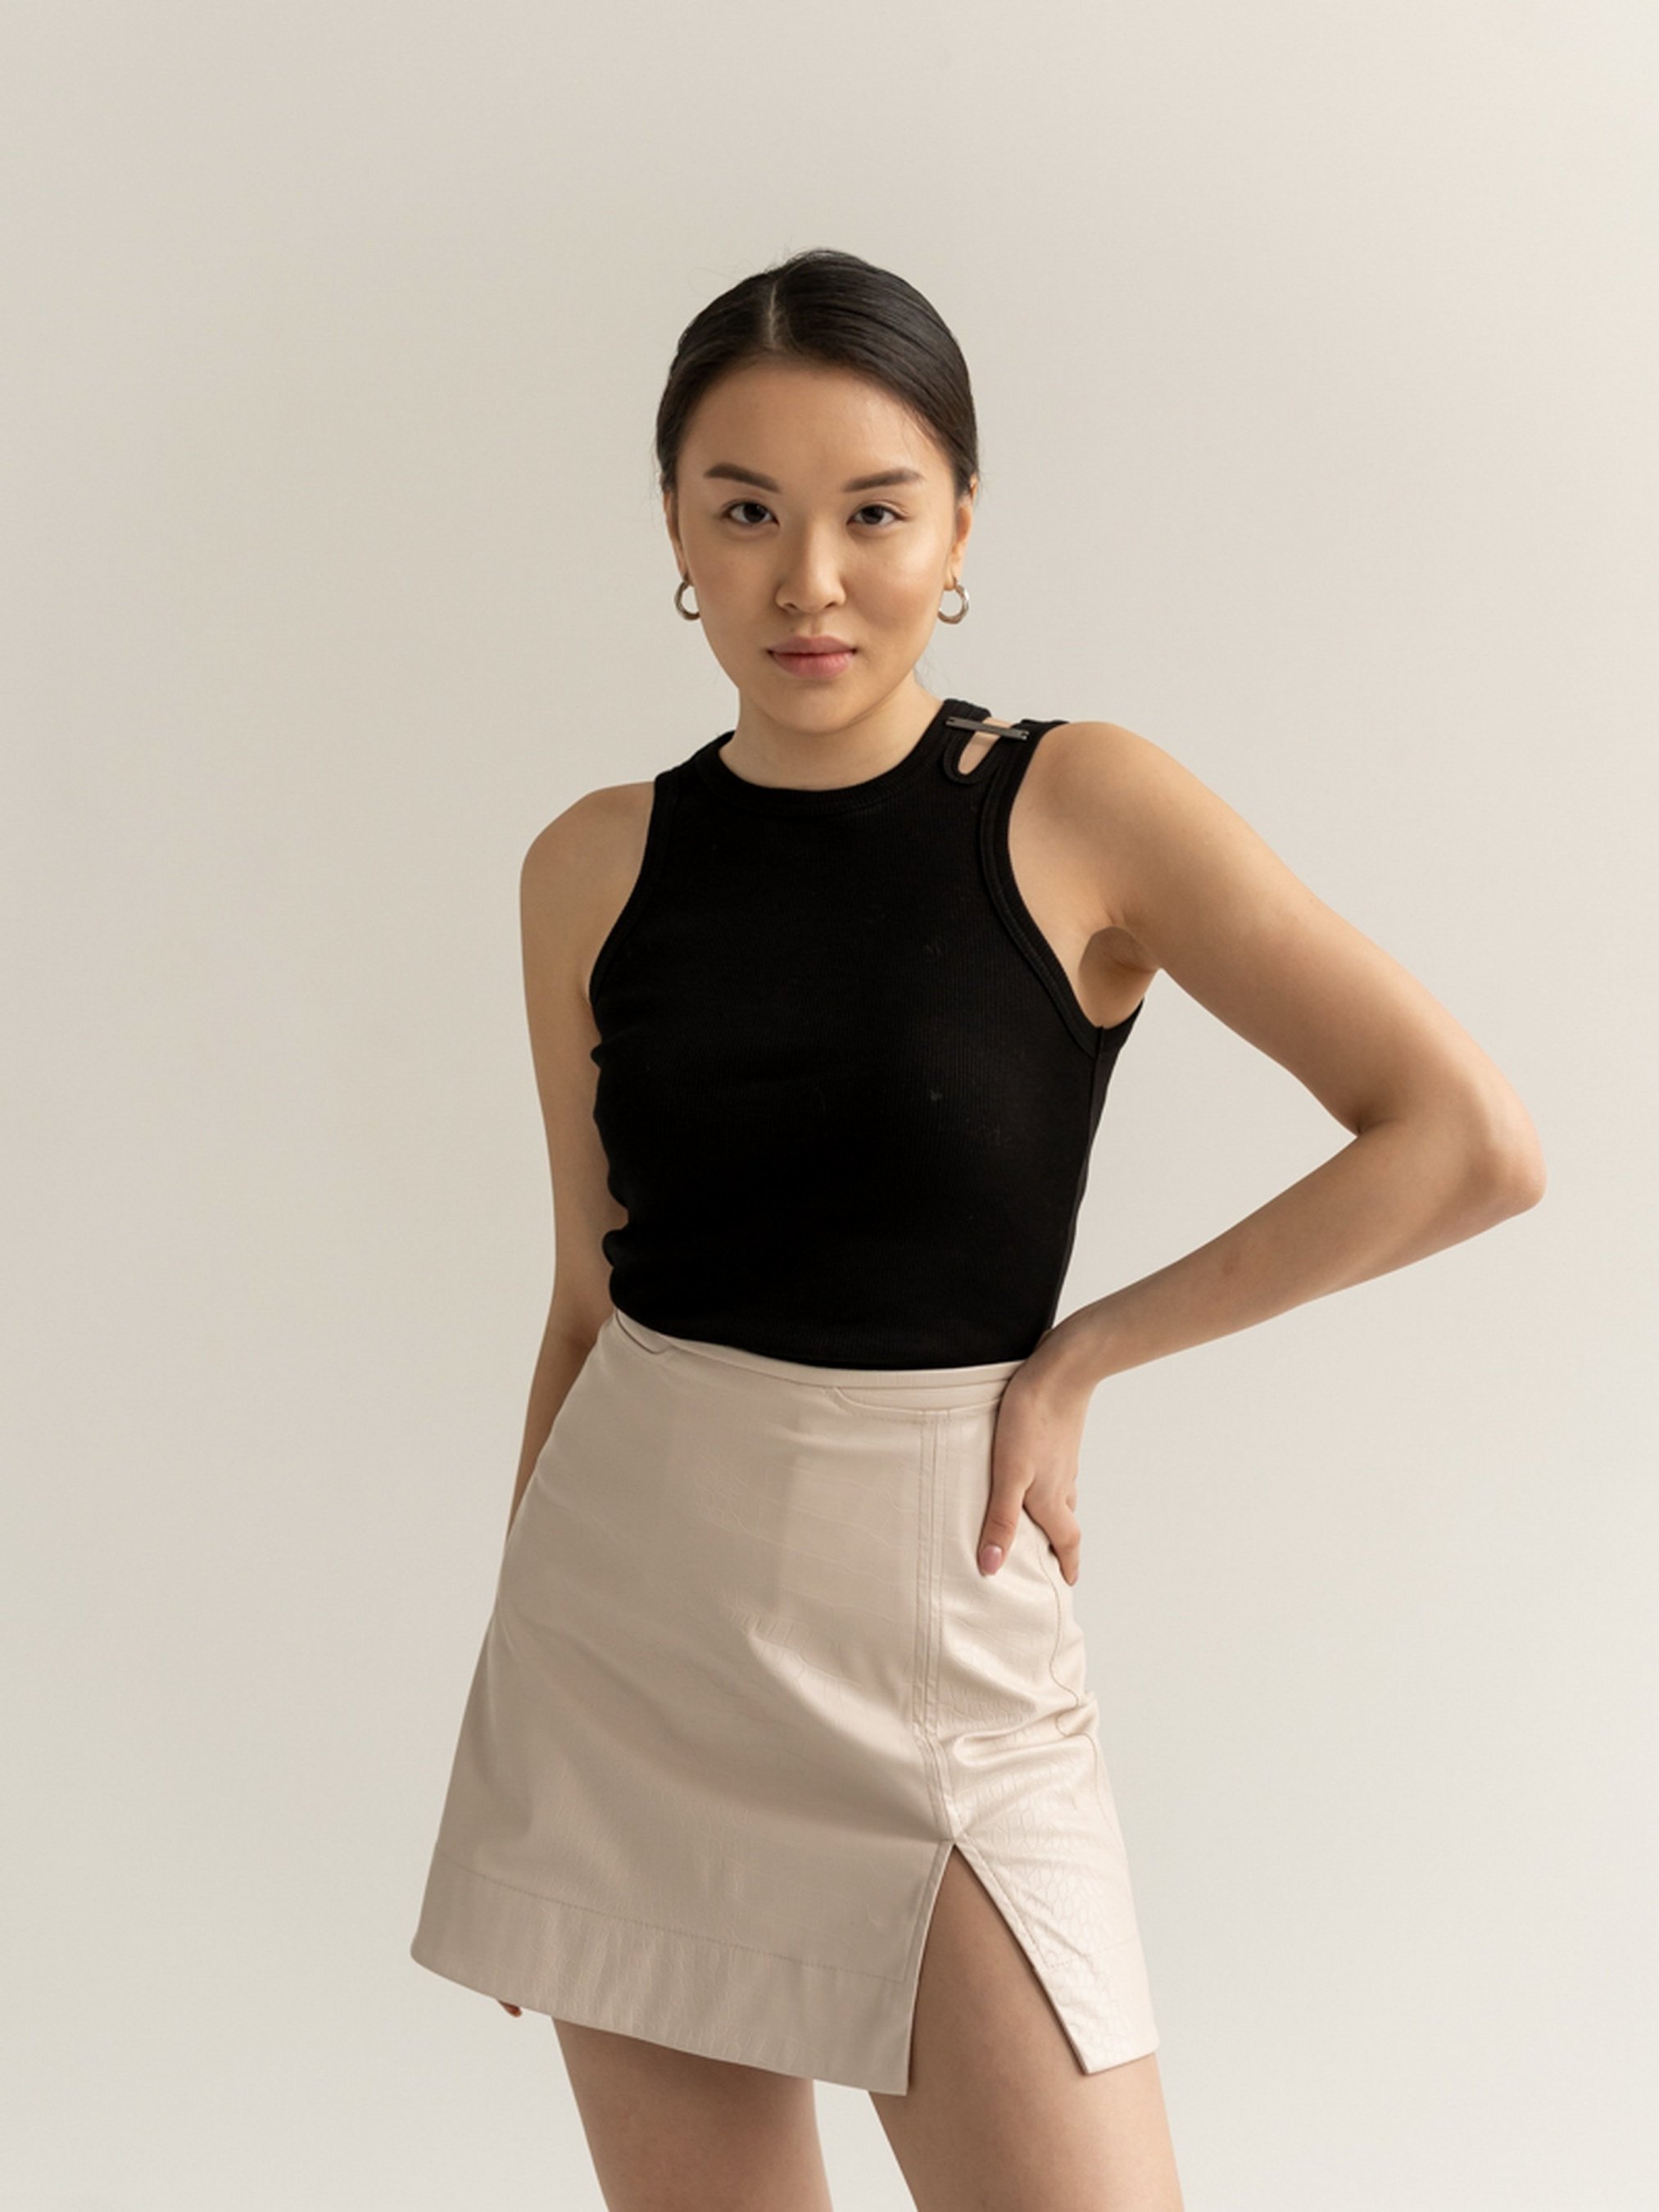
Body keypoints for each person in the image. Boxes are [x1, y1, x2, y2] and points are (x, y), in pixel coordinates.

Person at [409, 247, 1545, 2212]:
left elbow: (1461, 1141)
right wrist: (520, 1747)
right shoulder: (589, 865)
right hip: (620, 1642)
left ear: (958, 528)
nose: (807, 580)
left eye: (873, 512)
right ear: (672, 530)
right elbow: (589, 1305)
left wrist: (1086, 1353)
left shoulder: (1076, 805)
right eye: (743, 513)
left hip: (937, 1629)